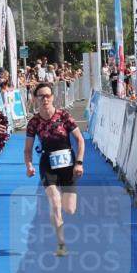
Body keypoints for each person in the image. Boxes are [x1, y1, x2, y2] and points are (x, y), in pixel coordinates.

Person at [23, 82, 85, 257]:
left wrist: (79, 162)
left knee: (69, 209)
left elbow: (80, 140)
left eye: (47, 96)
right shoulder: (34, 122)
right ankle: (61, 243)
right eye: (41, 96)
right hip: (47, 164)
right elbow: (27, 149)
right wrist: (28, 165)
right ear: (35, 99)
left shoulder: (64, 116)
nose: (45, 99)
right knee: (55, 202)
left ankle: (60, 217)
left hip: (68, 165)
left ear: (53, 97)